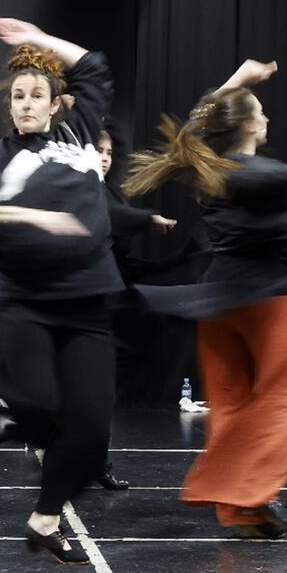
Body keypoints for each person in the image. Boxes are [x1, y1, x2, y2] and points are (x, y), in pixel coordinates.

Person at [123, 59, 287, 538]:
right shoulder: (269, 174)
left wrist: (238, 80)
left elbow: (197, 122)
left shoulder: (207, 169)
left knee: (233, 402)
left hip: (219, 305)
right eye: (259, 112)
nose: (267, 119)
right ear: (246, 123)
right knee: (280, 400)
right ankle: (241, 493)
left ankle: (243, 510)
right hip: (265, 304)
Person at [0, 18, 121, 564]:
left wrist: (42, 39)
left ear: (53, 103)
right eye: (17, 96)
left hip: (89, 304)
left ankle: (44, 520)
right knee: (41, 408)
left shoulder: (81, 133)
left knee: (90, 435)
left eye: (35, 95)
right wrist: (31, 216)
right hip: (27, 306)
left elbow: (94, 65)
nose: (25, 104)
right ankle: (22, 413)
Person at [96, 125, 177, 489]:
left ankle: (94, 460)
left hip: (108, 295)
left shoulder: (110, 191)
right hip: (75, 300)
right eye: (97, 150)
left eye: (109, 153)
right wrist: (147, 219)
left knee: (102, 384)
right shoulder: (72, 188)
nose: (103, 158)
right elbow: (106, 220)